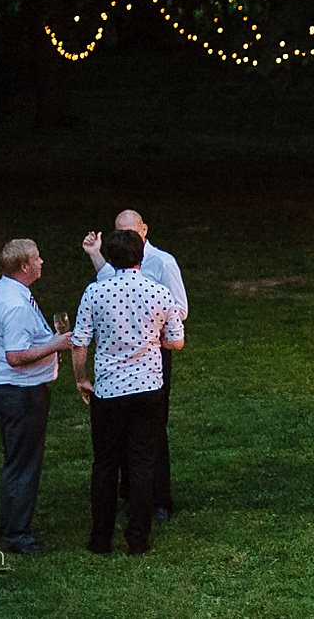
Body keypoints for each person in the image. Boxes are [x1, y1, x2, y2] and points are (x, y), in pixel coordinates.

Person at [71, 230, 185, 555]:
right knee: (142, 462)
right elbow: (176, 340)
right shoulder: (160, 293)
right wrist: (152, 341)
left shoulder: (94, 292)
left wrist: (81, 379)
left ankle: (100, 538)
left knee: (105, 463)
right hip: (148, 388)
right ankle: (138, 538)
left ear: (111, 257)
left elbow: (80, 342)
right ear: (141, 257)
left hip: (108, 389)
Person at [0, 239, 72, 555]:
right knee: (25, 462)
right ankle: (17, 533)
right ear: (23, 266)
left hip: (7, 390)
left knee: (16, 459)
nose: (42, 261)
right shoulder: (16, 306)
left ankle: (9, 525)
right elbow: (16, 356)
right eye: (36, 258)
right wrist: (57, 345)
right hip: (21, 392)